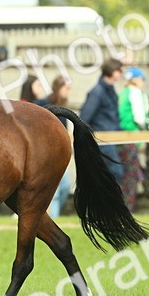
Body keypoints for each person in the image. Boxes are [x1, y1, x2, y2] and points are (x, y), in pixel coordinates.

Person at [80, 58, 124, 182]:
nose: (121, 73)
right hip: (102, 140)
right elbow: (84, 118)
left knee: (113, 174)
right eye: (119, 70)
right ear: (112, 70)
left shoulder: (110, 90)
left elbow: (112, 116)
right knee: (115, 172)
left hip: (113, 139)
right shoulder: (97, 92)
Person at [37, 76, 74, 217]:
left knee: (65, 186)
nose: (68, 92)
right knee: (55, 191)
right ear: (58, 88)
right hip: (44, 155)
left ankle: (50, 217)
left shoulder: (62, 107)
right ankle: (52, 219)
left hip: (57, 155)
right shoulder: (43, 103)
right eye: (67, 88)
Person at [115, 67, 149, 211]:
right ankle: (127, 209)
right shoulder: (135, 92)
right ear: (135, 79)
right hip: (132, 138)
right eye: (142, 79)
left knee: (126, 174)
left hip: (121, 139)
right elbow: (140, 118)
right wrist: (148, 132)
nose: (142, 82)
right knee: (130, 177)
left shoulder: (123, 93)